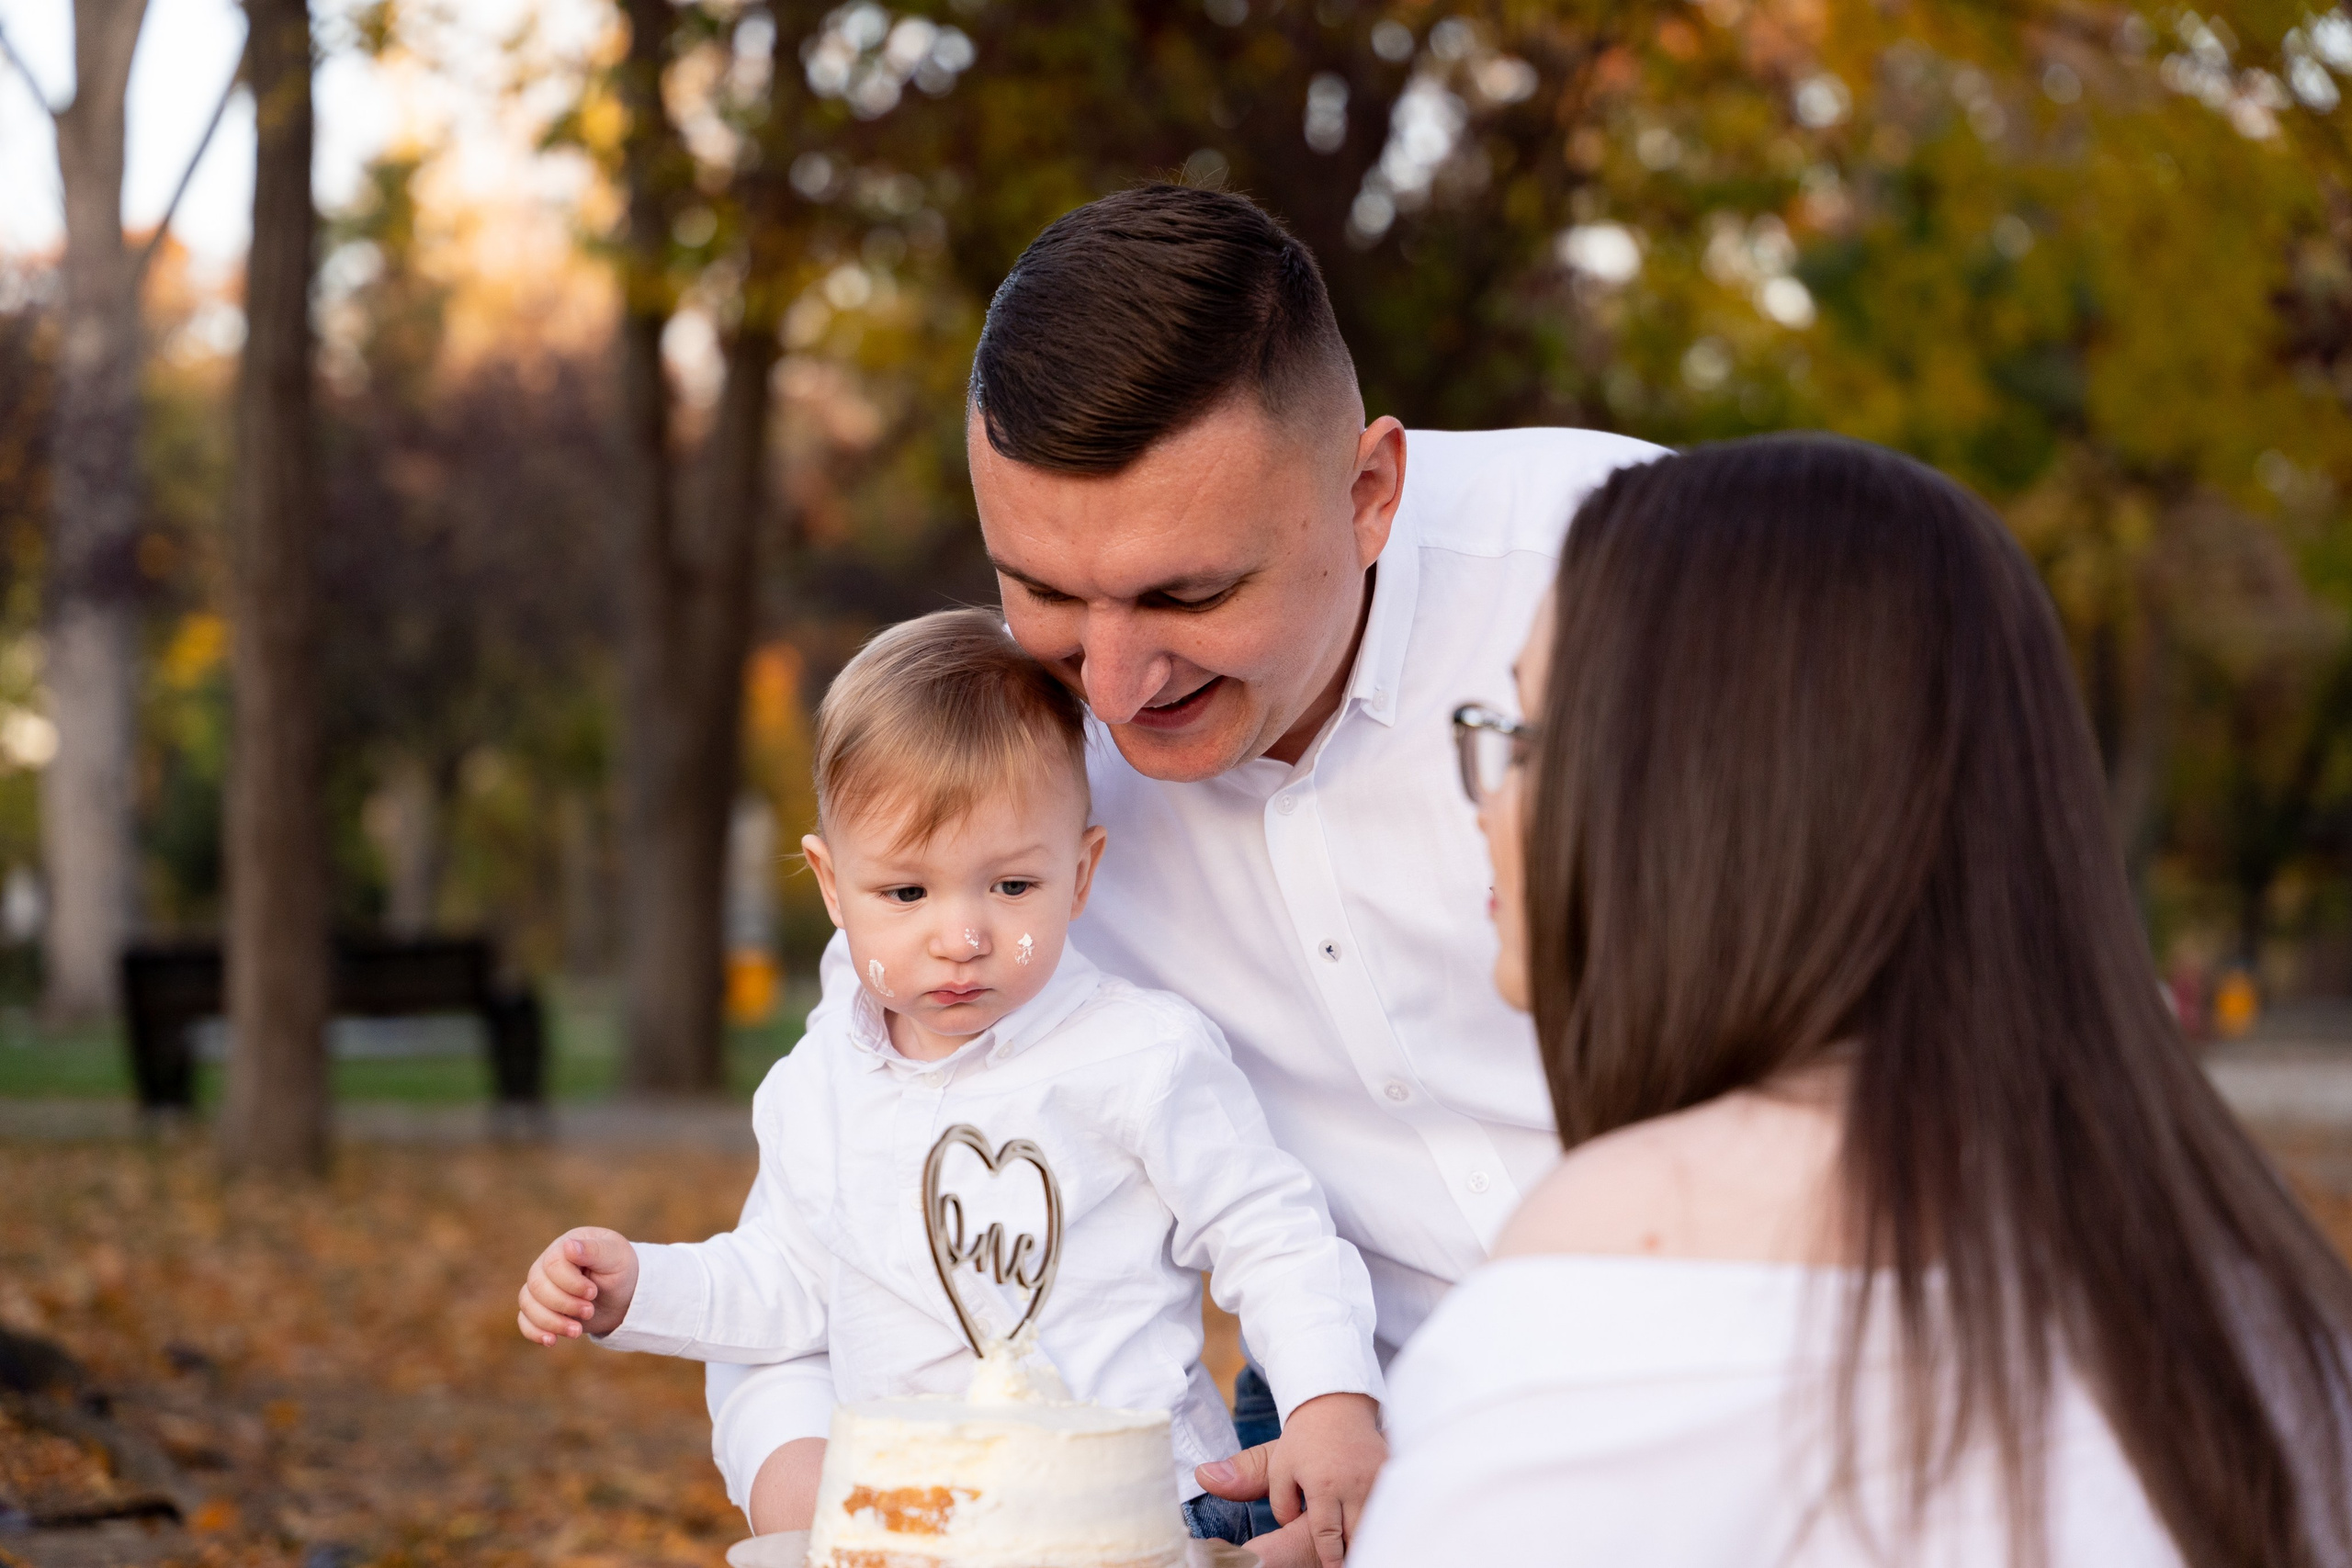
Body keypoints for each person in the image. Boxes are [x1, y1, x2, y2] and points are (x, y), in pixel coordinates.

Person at [704, 182, 1660, 1568]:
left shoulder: (1637, 580)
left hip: (1748, 1366)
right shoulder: (1003, 800)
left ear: (1369, 494)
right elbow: (821, 1233)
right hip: (1333, 1450)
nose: (1111, 685)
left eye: (1188, 595)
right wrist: (807, 1499)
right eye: (1044, 592)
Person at [1350, 434, 2352, 1565]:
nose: (1488, 804)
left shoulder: (1598, 1298)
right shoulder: (2255, 1293)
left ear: (1693, 797)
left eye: (1529, 740)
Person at [517, 610, 1385, 1548]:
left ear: (1080, 872)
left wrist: (1328, 1400)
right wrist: (636, 1288)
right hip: (918, 1531)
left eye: (1011, 887)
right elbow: (789, 1282)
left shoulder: (1140, 1054)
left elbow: (1271, 1231)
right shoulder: (823, 1084)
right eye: (906, 892)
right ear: (831, 885)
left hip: (1137, 1517)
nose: (962, 936)